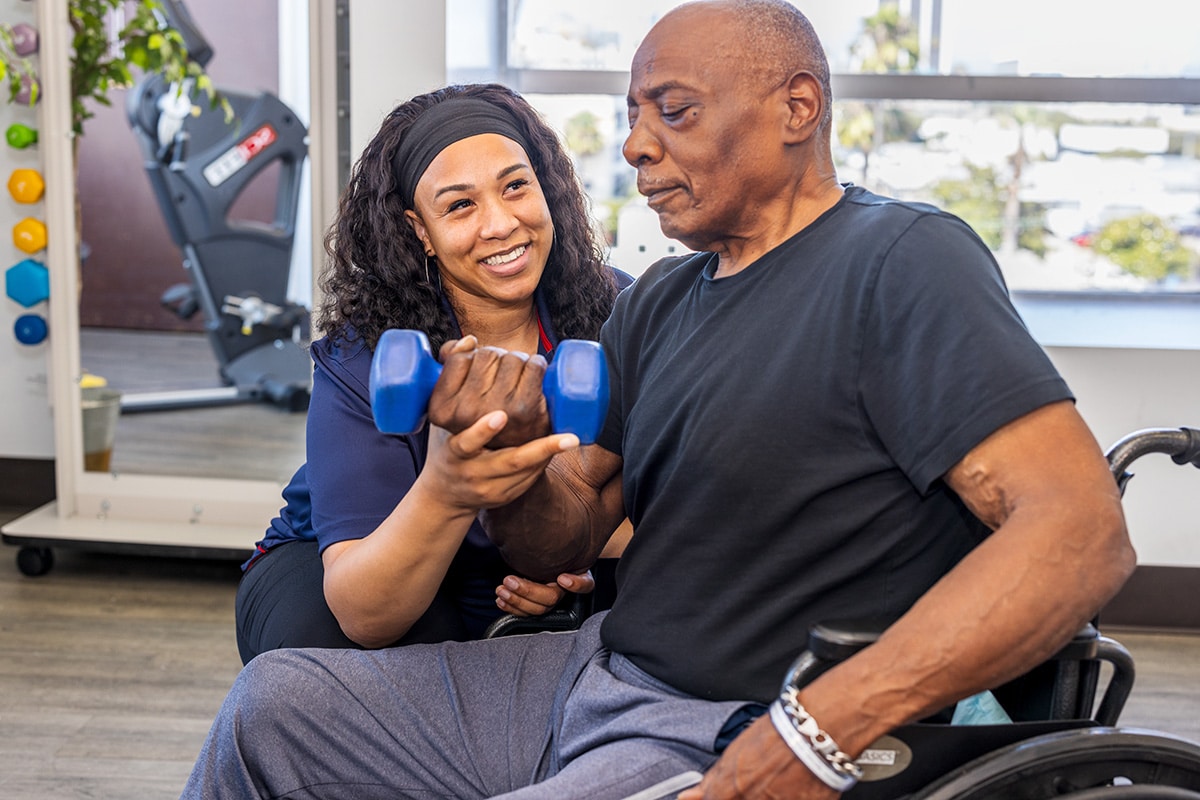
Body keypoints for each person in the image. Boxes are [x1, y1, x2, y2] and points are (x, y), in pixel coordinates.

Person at [183, 2, 1135, 798]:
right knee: (272, 709)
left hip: (731, 719)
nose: (636, 145)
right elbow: (568, 534)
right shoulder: (663, 303)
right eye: (634, 114)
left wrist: (819, 730)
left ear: (797, 107)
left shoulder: (900, 261)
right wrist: (506, 460)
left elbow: (1080, 534)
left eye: (672, 111)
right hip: (595, 670)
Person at [233, 82, 633, 664]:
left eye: (516, 187)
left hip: (515, 568)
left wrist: (575, 555)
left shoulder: (622, 311)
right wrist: (449, 487)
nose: (500, 224)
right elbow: (366, 612)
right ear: (420, 230)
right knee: (383, 660)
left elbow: (668, 506)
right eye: (460, 205)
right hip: (362, 560)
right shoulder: (366, 354)